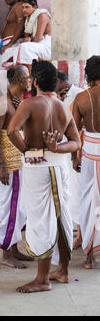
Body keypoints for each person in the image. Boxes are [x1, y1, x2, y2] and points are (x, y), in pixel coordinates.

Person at [7, 60, 81, 293]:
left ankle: (42, 279)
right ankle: (64, 271)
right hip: (59, 166)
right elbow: (76, 142)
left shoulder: (29, 103)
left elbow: (11, 131)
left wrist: (28, 151)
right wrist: (57, 148)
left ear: (36, 81)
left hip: (38, 167)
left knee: (41, 220)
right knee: (61, 217)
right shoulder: (61, 107)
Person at [0, 65, 33, 268]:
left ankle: (15, 249)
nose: (29, 80)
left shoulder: (17, 102)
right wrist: (1, 164)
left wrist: (19, 110)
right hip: (8, 163)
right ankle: (6, 254)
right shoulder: (2, 103)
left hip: (19, 161)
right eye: (26, 77)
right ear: (18, 80)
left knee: (18, 208)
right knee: (8, 208)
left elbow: (22, 128)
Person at [72, 56, 100, 269]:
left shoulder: (81, 98)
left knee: (88, 200)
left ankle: (89, 256)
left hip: (89, 151)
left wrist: (74, 157)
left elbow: (72, 130)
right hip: (91, 149)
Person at [56, 69, 84, 249]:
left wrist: (76, 155)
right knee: (69, 195)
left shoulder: (79, 95)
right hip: (62, 151)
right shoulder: (56, 96)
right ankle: (75, 232)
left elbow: (80, 128)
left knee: (79, 194)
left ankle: (82, 235)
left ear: (59, 80)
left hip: (77, 151)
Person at [5, 0, 51, 72]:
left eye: (27, 7)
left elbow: (38, 39)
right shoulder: (29, 18)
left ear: (35, 7)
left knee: (24, 47)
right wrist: (27, 39)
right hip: (38, 44)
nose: (24, 10)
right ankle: (20, 75)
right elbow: (27, 36)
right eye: (22, 7)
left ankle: (30, 75)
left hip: (47, 44)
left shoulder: (42, 16)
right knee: (12, 49)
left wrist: (28, 40)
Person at [0, 0, 25, 74]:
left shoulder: (19, 6)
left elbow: (21, 27)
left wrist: (9, 44)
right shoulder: (13, 7)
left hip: (12, 43)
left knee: (3, 74)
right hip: (6, 43)